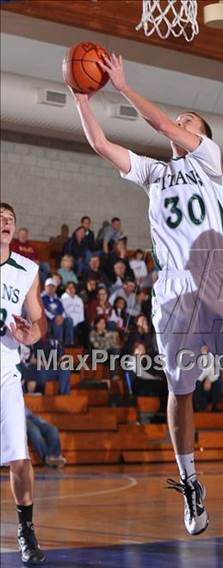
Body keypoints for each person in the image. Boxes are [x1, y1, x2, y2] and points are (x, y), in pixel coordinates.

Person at [67, 52, 223, 536]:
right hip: (175, 292)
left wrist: (121, 84)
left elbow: (158, 122)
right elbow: (99, 143)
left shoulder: (208, 160)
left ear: (200, 135)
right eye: (181, 120)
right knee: (179, 393)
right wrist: (81, 99)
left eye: (189, 121)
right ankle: (191, 484)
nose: (179, 123)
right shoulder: (154, 173)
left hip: (217, 282)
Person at [0, 202, 46, 565]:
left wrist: (29, 336)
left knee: (19, 456)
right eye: (0, 219)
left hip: (6, 370)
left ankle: (26, 530)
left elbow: (39, 321)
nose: (5, 223)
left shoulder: (27, 269)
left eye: (10, 220)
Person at [41, 278, 74, 345]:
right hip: (48, 320)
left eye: (53, 286)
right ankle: (58, 345)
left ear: (55, 288)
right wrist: (54, 317)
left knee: (69, 320)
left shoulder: (58, 300)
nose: (51, 288)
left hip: (58, 318)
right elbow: (43, 310)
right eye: (49, 286)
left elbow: (63, 311)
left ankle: (69, 344)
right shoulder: (41, 298)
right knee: (56, 323)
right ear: (45, 287)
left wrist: (62, 317)